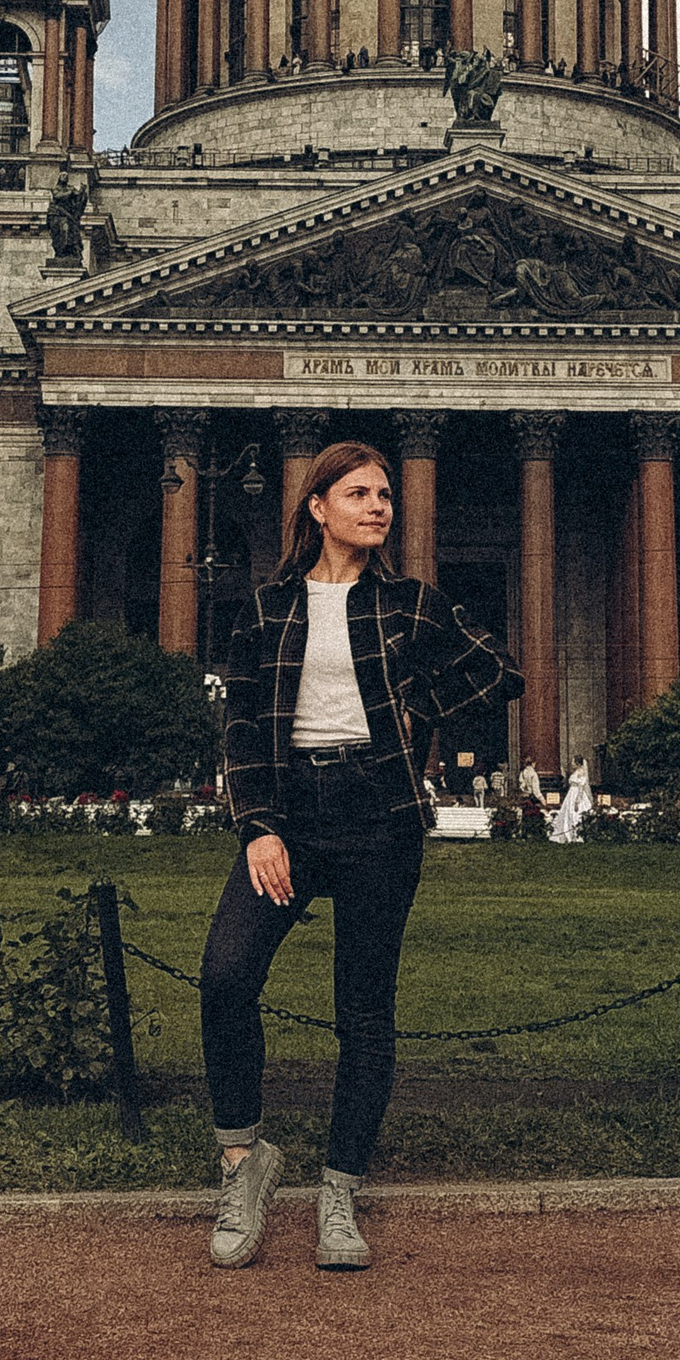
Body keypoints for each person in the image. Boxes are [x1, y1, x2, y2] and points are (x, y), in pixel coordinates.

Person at [202, 436, 513, 1274]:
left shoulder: (411, 604)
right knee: (228, 973)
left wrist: (419, 708)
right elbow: (240, 732)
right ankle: (244, 1160)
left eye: (385, 494)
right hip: (291, 816)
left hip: (380, 813)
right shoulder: (266, 609)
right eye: (360, 493)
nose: (380, 505)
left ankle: (339, 1191)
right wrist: (259, 825)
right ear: (317, 507)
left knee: (364, 1010)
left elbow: (499, 670)